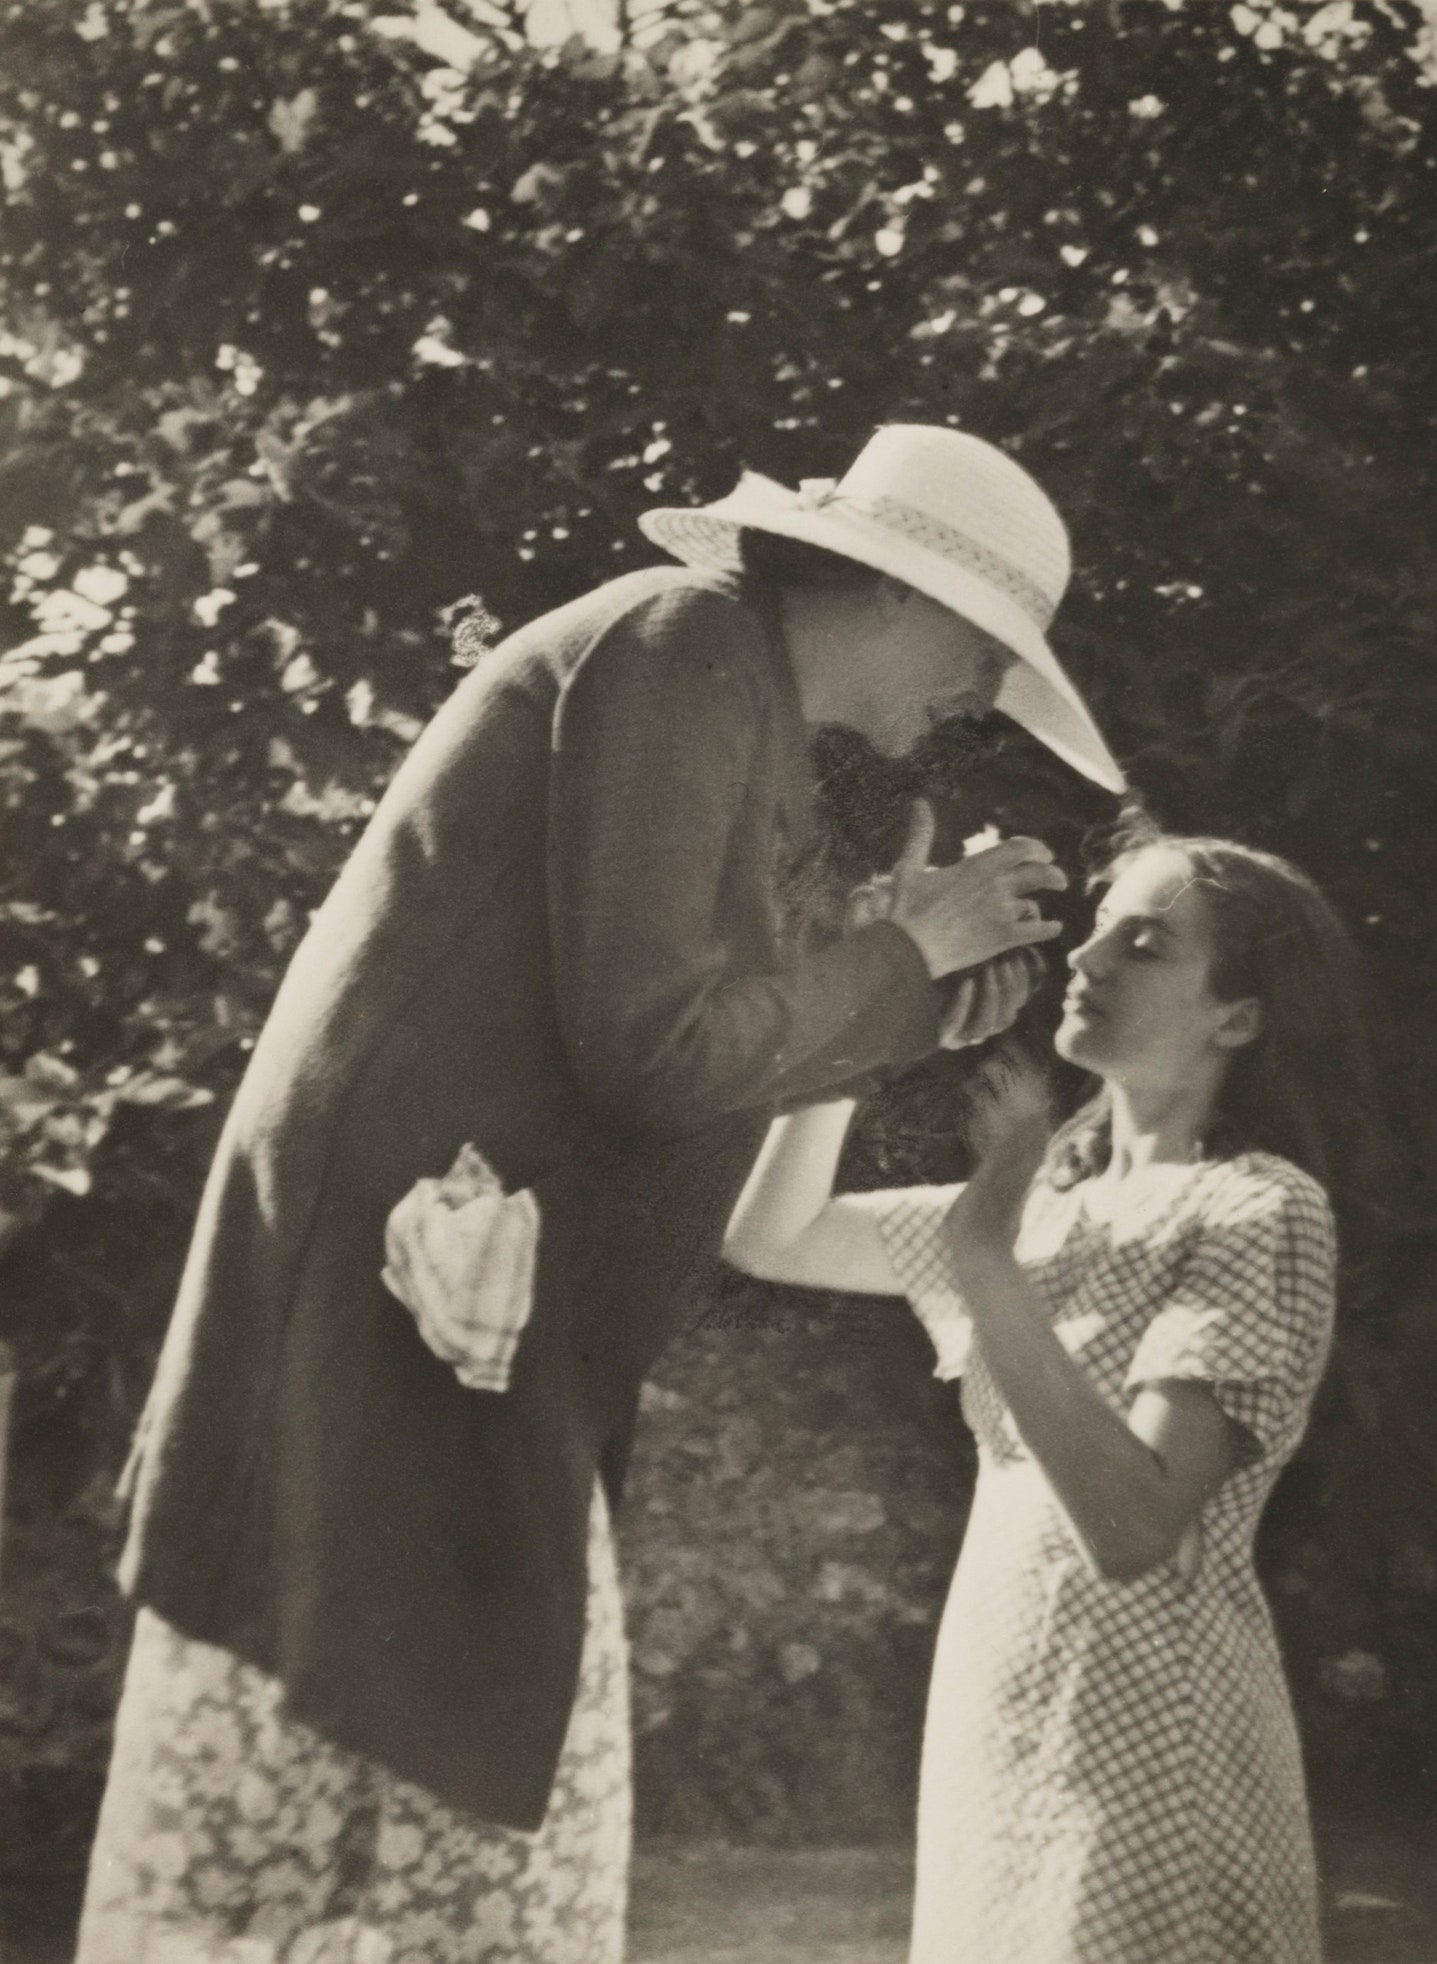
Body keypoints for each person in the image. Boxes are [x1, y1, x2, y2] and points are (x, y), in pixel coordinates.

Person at [75, 423, 1125, 1964]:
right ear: (897, 596)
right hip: (396, 1312)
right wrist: (904, 956)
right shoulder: (679, 641)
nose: (980, 699)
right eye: (985, 654)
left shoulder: (727, 699)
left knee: (438, 1798)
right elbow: (652, 1053)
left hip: (464, 1328)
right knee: (404, 1802)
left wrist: (894, 966)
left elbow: (699, 1032)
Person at [726, 831, 1391, 1964]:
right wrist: (864, 1024)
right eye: (1097, 925)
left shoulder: (1255, 1210)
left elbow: (1134, 1527)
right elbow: (769, 1234)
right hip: (1007, 1708)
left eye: (1142, 942)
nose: (1086, 956)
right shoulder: (1045, 1206)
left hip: (1152, 1735)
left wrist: (985, 1260)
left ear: (1237, 1017)